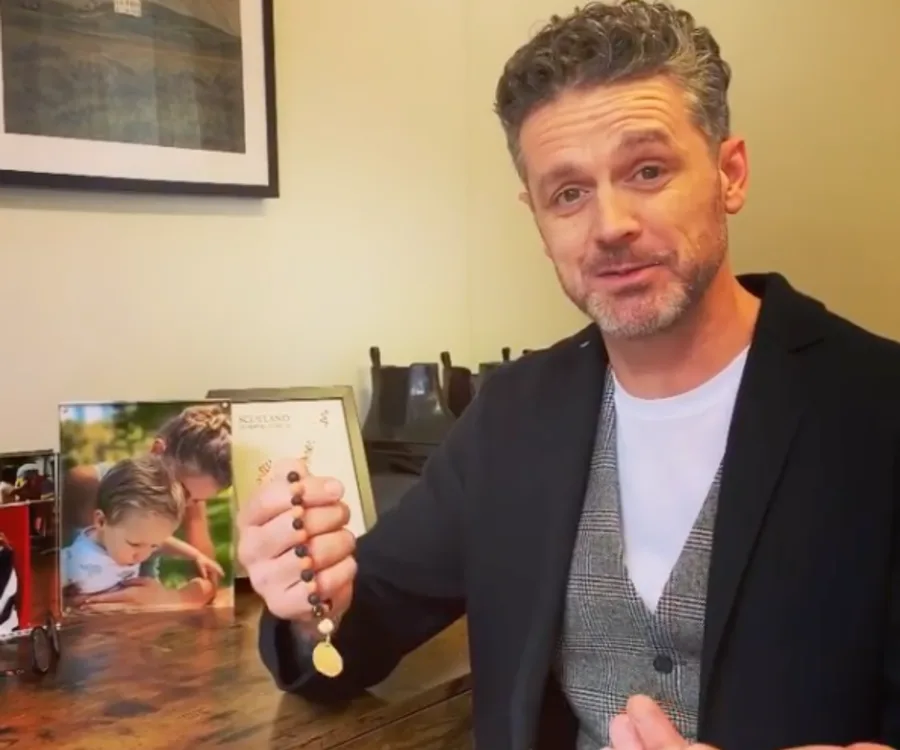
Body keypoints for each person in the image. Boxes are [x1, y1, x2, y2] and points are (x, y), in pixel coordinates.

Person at [240, 2, 900, 749]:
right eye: (569, 193)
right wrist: (305, 606)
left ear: (730, 173)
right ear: (537, 216)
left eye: (647, 171)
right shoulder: (512, 416)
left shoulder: (878, 408)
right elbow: (362, 625)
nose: (609, 224)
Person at [62, 403, 231, 586]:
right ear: (157, 451)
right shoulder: (87, 484)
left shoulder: (189, 500)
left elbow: (209, 580)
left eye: (197, 500)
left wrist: (171, 600)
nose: (183, 505)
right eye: (183, 491)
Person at [61, 454, 218, 610]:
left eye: (153, 546)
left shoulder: (127, 537)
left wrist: (196, 555)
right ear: (101, 521)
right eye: (135, 544)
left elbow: (164, 541)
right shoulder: (75, 559)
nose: (143, 556)